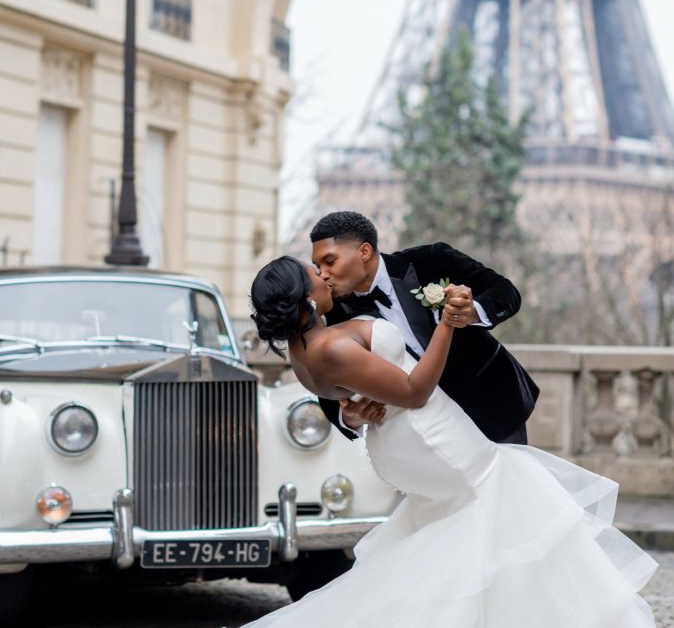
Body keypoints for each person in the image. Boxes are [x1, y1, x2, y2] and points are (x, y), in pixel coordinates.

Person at [244, 255, 657, 627]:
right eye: (314, 272)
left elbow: (346, 391)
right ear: (305, 298)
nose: (323, 275)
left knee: (468, 526)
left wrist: (352, 409)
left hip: (400, 441)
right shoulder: (330, 344)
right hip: (428, 434)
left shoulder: (302, 350)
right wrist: (446, 324)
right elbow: (413, 391)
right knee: (504, 491)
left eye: (325, 263)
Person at [310, 211, 538, 444]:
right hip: (418, 432)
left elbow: (506, 292)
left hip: (490, 404)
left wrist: (473, 311)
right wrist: (348, 417)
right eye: (317, 266)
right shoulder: (333, 313)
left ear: (364, 252)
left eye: (329, 262)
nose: (323, 274)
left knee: (507, 479)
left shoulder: (431, 259)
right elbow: (325, 378)